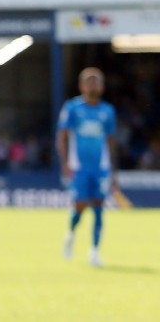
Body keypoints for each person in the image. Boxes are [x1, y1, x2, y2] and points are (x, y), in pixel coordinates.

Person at [58, 67, 117, 268]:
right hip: (79, 167)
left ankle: (94, 251)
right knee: (80, 206)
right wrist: (64, 163)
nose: (93, 85)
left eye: (96, 81)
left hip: (101, 168)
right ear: (81, 86)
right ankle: (71, 233)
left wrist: (114, 171)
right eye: (89, 81)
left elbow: (111, 142)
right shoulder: (72, 108)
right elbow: (62, 137)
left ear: (102, 87)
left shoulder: (107, 111)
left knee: (99, 208)